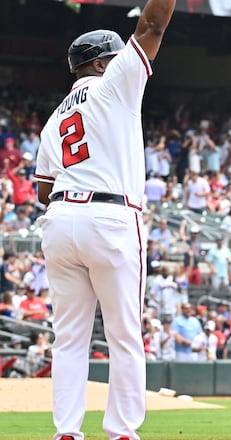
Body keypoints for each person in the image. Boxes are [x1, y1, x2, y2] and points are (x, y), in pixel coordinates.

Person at [33, 1, 176, 439]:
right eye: (115, 57)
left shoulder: (55, 118)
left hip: (60, 219)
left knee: (69, 339)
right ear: (100, 63)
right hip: (110, 216)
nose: (124, 62)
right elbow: (151, 23)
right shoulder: (114, 83)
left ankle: (67, 432)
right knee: (124, 334)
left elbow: (42, 189)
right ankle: (121, 431)